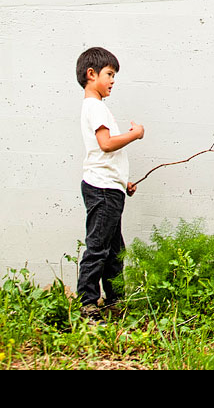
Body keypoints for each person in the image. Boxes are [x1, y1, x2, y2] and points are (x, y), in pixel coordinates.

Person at [76, 46, 144, 319]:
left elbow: (105, 152)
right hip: (102, 189)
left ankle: (116, 301)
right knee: (99, 248)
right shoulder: (96, 107)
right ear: (91, 74)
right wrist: (135, 134)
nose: (113, 80)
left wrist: (122, 181)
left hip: (109, 187)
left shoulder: (95, 108)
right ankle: (88, 304)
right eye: (109, 74)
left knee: (115, 250)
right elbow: (106, 145)